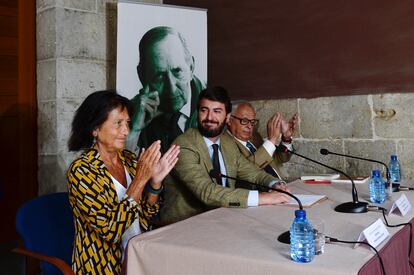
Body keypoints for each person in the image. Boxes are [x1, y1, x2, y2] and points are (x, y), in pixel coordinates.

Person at [67, 90, 180, 274]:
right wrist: (141, 179)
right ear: (95, 129)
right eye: (118, 123)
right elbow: (111, 231)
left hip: (138, 255)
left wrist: (155, 183)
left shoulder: (128, 158)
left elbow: (144, 214)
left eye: (127, 123)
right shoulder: (81, 170)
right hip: (102, 265)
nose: (126, 131)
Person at [160, 86, 290, 224]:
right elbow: (206, 192)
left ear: (227, 117)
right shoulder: (184, 145)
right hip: (185, 225)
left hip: (223, 219)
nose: (209, 117)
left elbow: (253, 173)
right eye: (204, 110)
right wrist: (263, 198)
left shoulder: (227, 142)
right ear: (198, 112)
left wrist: (275, 184)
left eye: (217, 111)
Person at [126, 26, 206, 154]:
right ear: (142, 76)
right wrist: (134, 130)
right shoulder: (130, 114)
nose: (171, 88)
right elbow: (119, 166)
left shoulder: (214, 106)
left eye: (177, 71)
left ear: (191, 67)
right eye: (159, 76)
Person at [226, 102, 297, 184]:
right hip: (262, 192)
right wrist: (272, 140)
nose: (249, 126)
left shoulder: (255, 136)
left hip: (282, 184)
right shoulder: (226, 144)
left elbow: (279, 159)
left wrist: (286, 138)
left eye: (252, 122)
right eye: (244, 121)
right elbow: (247, 172)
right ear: (229, 119)